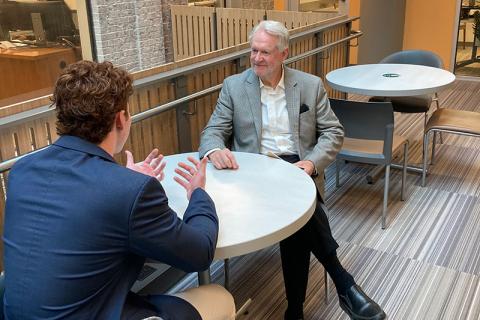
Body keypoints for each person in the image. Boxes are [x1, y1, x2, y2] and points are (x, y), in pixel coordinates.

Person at [3, 60, 235, 320]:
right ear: (121, 119)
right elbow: (200, 253)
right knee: (219, 297)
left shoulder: (22, 171)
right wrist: (198, 194)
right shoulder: (129, 190)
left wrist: (124, 181)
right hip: (95, 312)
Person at [199, 20, 386, 320]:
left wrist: (311, 163)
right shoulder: (234, 87)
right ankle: (342, 283)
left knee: (297, 218)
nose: (257, 58)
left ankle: (296, 310)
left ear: (284, 54)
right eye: (253, 51)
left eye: (265, 52)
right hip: (254, 175)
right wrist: (215, 149)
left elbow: (333, 133)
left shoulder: (309, 86)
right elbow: (212, 131)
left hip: (298, 167)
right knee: (301, 215)